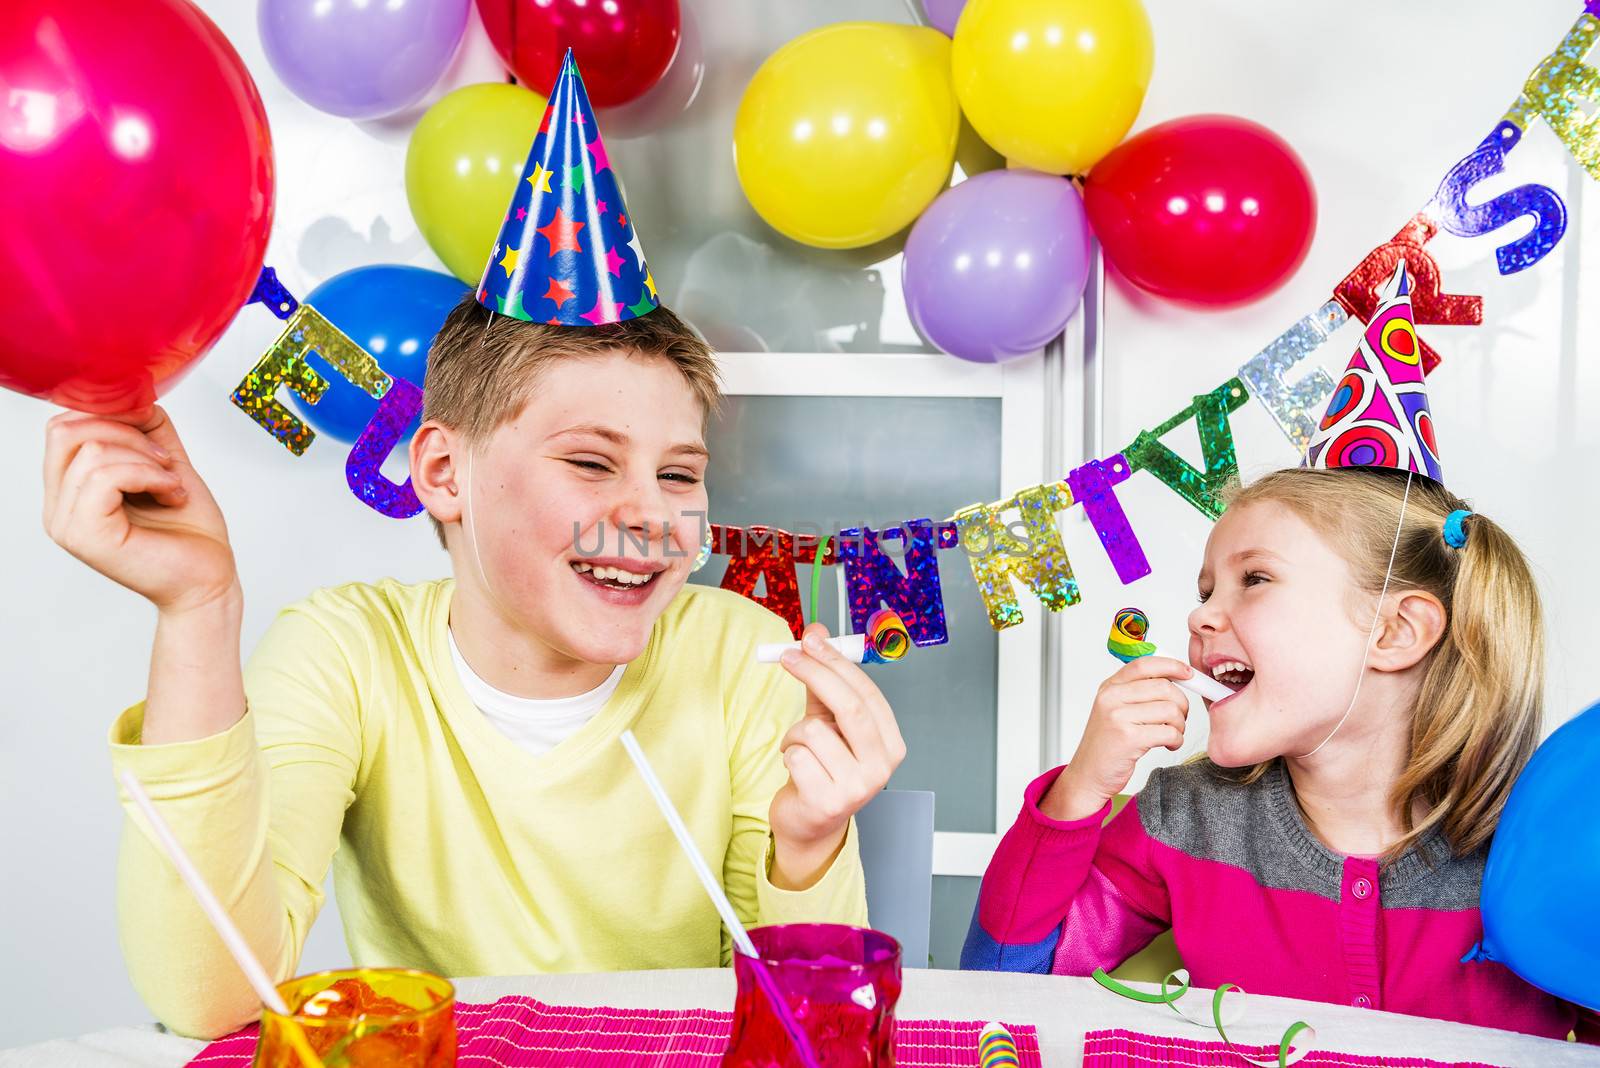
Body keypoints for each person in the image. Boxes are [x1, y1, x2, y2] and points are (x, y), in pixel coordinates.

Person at [40, 56, 904, 1040]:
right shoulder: (352, 656)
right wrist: (197, 611)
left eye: (677, 475)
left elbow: (805, 1035)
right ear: (443, 474)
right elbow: (210, 1001)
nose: (652, 519)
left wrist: (805, 842)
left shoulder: (735, 656)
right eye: (589, 461)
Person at [963, 265, 1599, 1043]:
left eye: (1254, 579)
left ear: (1396, 632)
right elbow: (1004, 994)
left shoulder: (1542, 837)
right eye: (1205, 590)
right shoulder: (1187, 819)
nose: (1202, 616)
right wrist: (1079, 795)